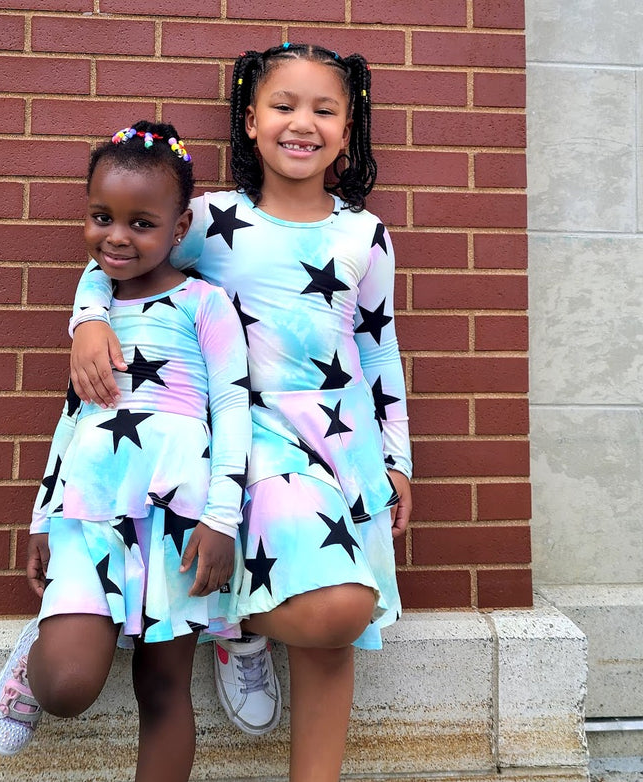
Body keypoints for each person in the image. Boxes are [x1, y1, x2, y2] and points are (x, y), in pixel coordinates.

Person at [68, 43, 413, 782]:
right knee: (332, 610)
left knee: (335, 633)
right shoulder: (210, 218)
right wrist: (89, 321)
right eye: (283, 106)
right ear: (250, 121)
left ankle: (244, 635)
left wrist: (394, 457)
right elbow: (117, 252)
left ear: (348, 132)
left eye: (325, 110)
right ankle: (234, 622)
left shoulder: (364, 234)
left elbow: (379, 349)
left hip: (333, 443)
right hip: (234, 442)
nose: (303, 124)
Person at [0, 120, 253, 782]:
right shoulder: (92, 318)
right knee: (69, 686)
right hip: (93, 507)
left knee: (163, 687)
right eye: (102, 217)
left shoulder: (205, 304)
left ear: (179, 227)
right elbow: (72, 418)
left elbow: (235, 410)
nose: (117, 236)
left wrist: (223, 519)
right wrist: (43, 517)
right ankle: (42, 648)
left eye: (140, 222)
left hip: (181, 517)